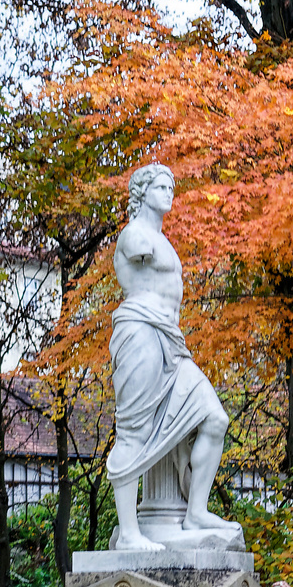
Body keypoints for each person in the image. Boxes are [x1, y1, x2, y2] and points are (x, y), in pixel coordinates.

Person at [107, 163, 241, 550]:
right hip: (140, 335)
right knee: (135, 431)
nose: (170, 192)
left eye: (172, 186)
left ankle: (195, 511)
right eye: (161, 186)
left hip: (171, 340)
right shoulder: (135, 235)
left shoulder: (162, 239)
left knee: (214, 418)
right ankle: (130, 534)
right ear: (142, 192)